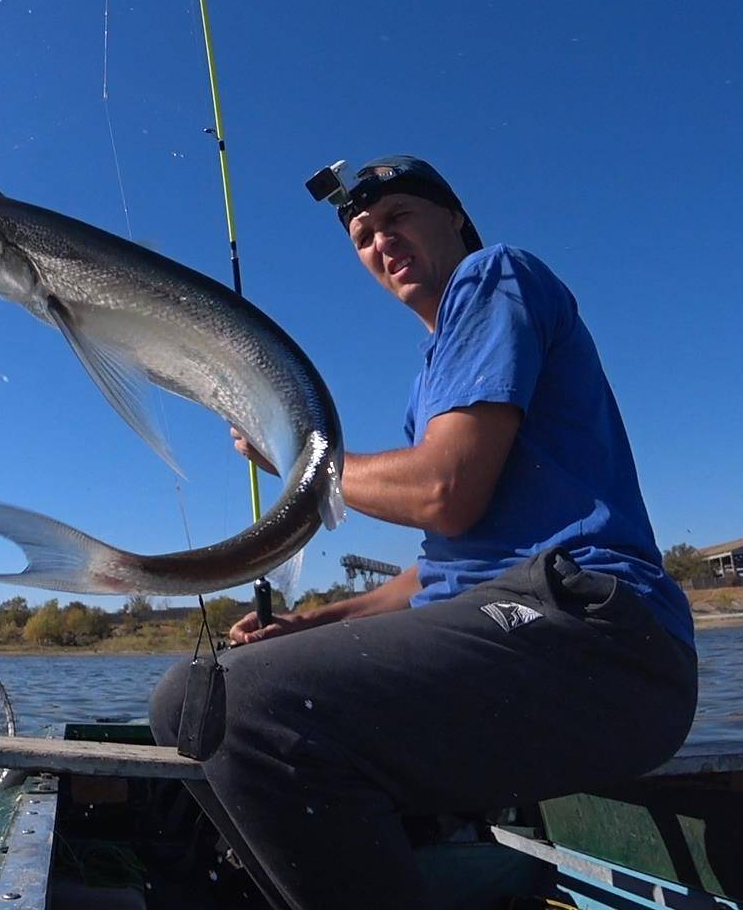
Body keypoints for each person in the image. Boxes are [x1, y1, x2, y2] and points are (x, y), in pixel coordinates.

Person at [148, 155, 699, 909]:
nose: (382, 240)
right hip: (523, 633)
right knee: (190, 703)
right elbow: (441, 567)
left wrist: (297, 456)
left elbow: (445, 492)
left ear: (456, 220)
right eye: (364, 234)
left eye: (400, 216)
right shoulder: (430, 381)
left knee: (241, 710)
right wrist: (315, 621)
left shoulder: (495, 274)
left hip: (605, 641)